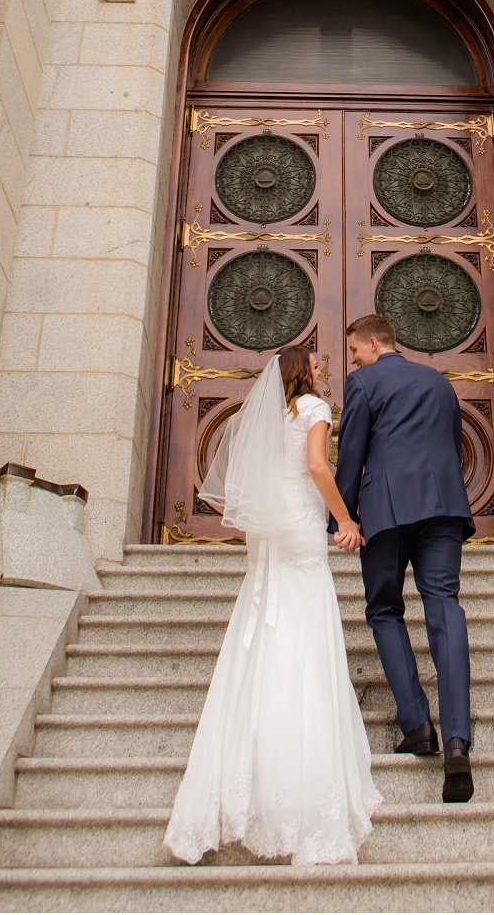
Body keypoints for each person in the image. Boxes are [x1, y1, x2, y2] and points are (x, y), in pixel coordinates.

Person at [162, 345, 382, 866]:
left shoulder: (271, 415)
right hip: (302, 520)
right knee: (304, 615)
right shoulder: (316, 409)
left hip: (269, 524)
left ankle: (243, 763)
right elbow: (316, 466)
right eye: (317, 363)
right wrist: (345, 520)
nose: (324, 368)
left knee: (265, 615)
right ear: (301, 372)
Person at [334, 314, 476, 803]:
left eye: (354, 350)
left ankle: (417, 723)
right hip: (442, 505)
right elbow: (453, 447)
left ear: (373, 344)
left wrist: (341, 519)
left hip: (387, 510)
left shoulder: (364, 382)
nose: (351, 359)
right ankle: (458, 740)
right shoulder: (438, 381)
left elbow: (351, 453)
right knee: (443, 606)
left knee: (384, 610)